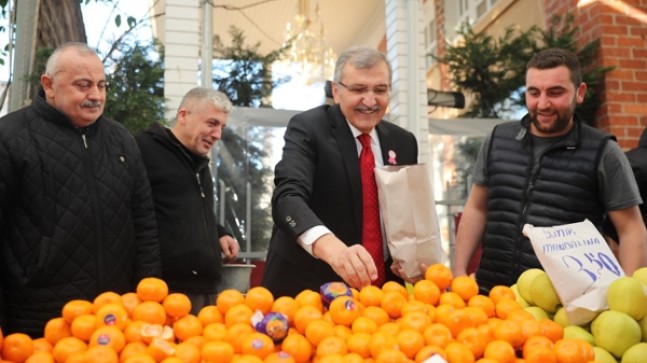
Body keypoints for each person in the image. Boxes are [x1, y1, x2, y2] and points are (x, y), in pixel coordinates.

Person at [452, 47, 647, 294]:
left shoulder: (603, 151)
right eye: (534, 92)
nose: (543, 104)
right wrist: (458, 271)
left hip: (564, 307)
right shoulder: (498, 139)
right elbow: (477, 207)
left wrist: (629, 297)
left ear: (580, 93)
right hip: (492, 295)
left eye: (555, 93)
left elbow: (631, 229)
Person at [0, 42, 161, 337]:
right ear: (49, 85)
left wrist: (147, 299)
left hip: (115, 317)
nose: (96, 96)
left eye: (102, 85)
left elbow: (144, 223)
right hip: (39, 319)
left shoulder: (121, 140)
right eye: (83, 85)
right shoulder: (10, 138)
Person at [261, 46, 421, 298]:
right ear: (336, 91)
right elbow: (287, 200)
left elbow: (408, 212)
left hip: (384, 292)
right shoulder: (308, 128)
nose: (370, 101)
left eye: (380, 90)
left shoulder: (404, 142)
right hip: (309, 289)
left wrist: (412, 257)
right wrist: (333, 249)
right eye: (358, 89)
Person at [136, 87, 239, 314]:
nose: (217, 135)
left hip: (206, 290)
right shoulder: (144, 150)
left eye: (222, 127)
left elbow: (190, 211)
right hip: (164, 293)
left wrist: (219, 232)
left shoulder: (199, 163)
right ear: (183, 116)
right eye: (211, 123)